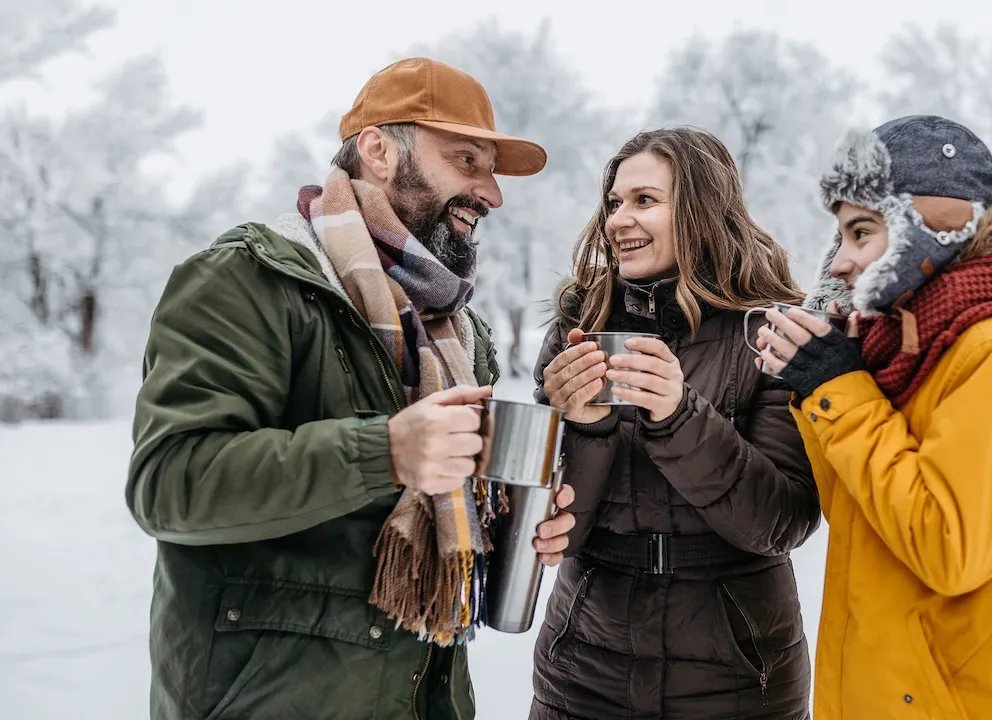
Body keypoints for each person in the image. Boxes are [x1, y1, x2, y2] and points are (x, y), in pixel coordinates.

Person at [126, 57, 576, 720]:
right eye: (467, 160)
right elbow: (169, 485)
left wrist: (510, 516)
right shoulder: (248, 281)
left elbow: (430, 512)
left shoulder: (458, 332)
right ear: (378, 151)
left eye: (492, 170)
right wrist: (386, 452)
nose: (492, 194)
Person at [756, 115, 992, 719]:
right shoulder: (908, 355)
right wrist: (822, 385)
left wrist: (840, 391)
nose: (838, 264)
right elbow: (863, 518)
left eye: (860, 234)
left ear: (931, 230)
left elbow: (948, 548)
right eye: (838, 238)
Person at [526, 127, 821, 720]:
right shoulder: (578, 327)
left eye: (644, 200)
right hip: (586, 669)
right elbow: (554, 532)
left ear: (701, 211)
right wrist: (582, 426)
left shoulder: (771, 334)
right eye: (613, 202)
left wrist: (679, 416)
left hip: (737, 676)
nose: (618, 219)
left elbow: (781, 521)